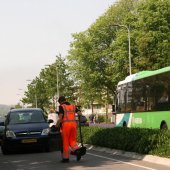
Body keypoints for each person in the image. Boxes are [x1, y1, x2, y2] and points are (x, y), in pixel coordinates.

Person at [56, 96, 82, 163]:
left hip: (66, 125)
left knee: (65, 141)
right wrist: (78, 113)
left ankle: (66, 158)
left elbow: (61, 117)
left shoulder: (62, 106)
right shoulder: (73, 106)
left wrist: (56, 125)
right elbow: (79, 113)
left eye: (59, 102)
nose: (59, 104)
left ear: (61, 101)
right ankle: (77, 151)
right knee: (72, 140)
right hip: (73, 125)